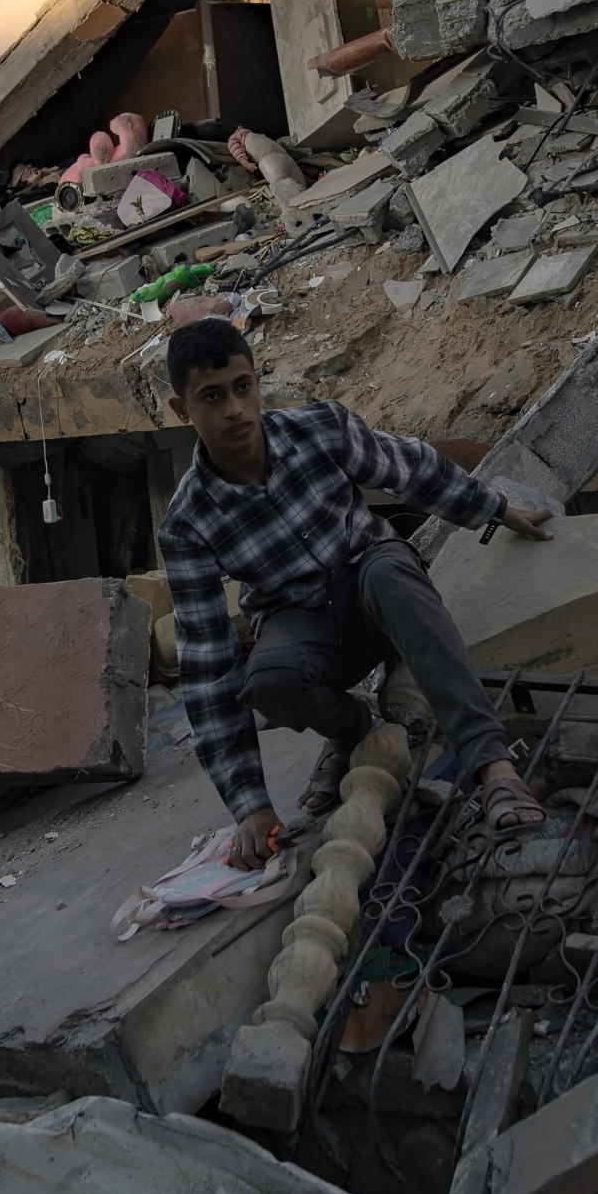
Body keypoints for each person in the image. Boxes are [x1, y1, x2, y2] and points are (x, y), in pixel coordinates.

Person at [158, 317, 552, 868]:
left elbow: (410, 468)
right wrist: (251, 804)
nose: (235, 411)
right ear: (182, 411)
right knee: (267, 682)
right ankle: (359, 731)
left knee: (389, 569)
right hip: (302, 622)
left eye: (243, 387)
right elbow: (206, 666)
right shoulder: (187, 522)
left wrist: (495, 509)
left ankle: (494, 767)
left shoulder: (319, 429)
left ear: (256, 380)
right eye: (212, 397)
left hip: (376, 586)